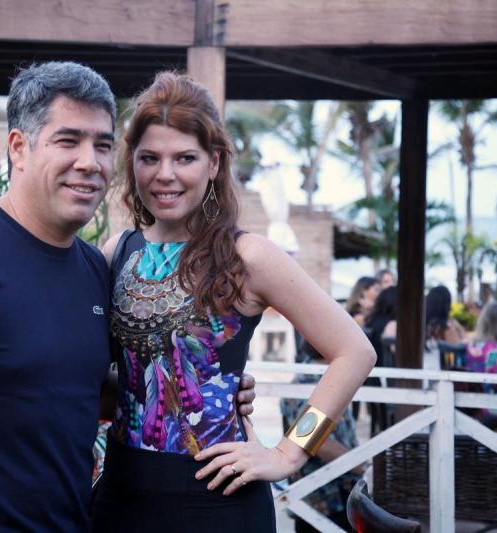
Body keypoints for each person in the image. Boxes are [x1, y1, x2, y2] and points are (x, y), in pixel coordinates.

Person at [0, 62, 256, 533]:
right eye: (68, 140)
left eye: (103, 145)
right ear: (19, 148)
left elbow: (74, 389)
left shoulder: (94, 268)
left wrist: (207, 385)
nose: (89, 162)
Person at [90, 72, 375, 532]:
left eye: (185, 157)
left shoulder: (248, 257)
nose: (165, 174)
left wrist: (289, 453)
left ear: (214, 163)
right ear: (132, 163)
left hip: (218, 504)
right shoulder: (115, 253)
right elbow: (105, 378)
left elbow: (355, 351)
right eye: (150, 158)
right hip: (120, 499)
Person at [280, 341, 363, 533]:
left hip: (324, 492)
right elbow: (312, 438)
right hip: (325, 494)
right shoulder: (312, 383)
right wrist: (361, 465)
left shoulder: (318, 378)